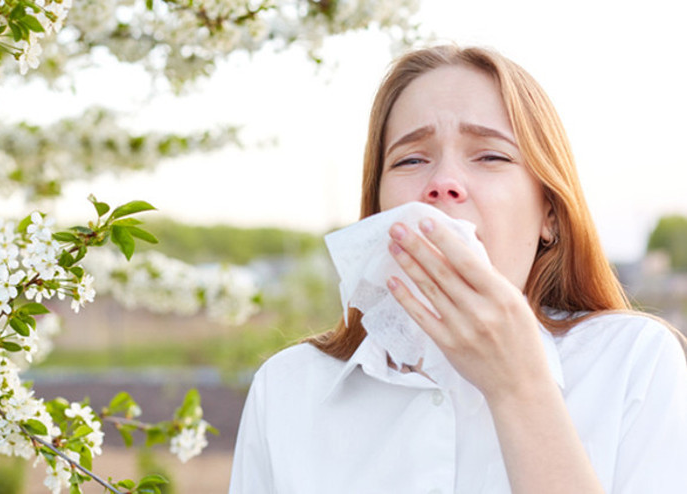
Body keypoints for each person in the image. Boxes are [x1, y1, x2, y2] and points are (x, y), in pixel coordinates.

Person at [228, 45, 687, 493]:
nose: (443, 183)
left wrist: (519, 388)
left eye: (490, 156)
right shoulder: (287, 388)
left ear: (549, 213)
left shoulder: (635, 364)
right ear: (378, 211)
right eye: (411, 159)